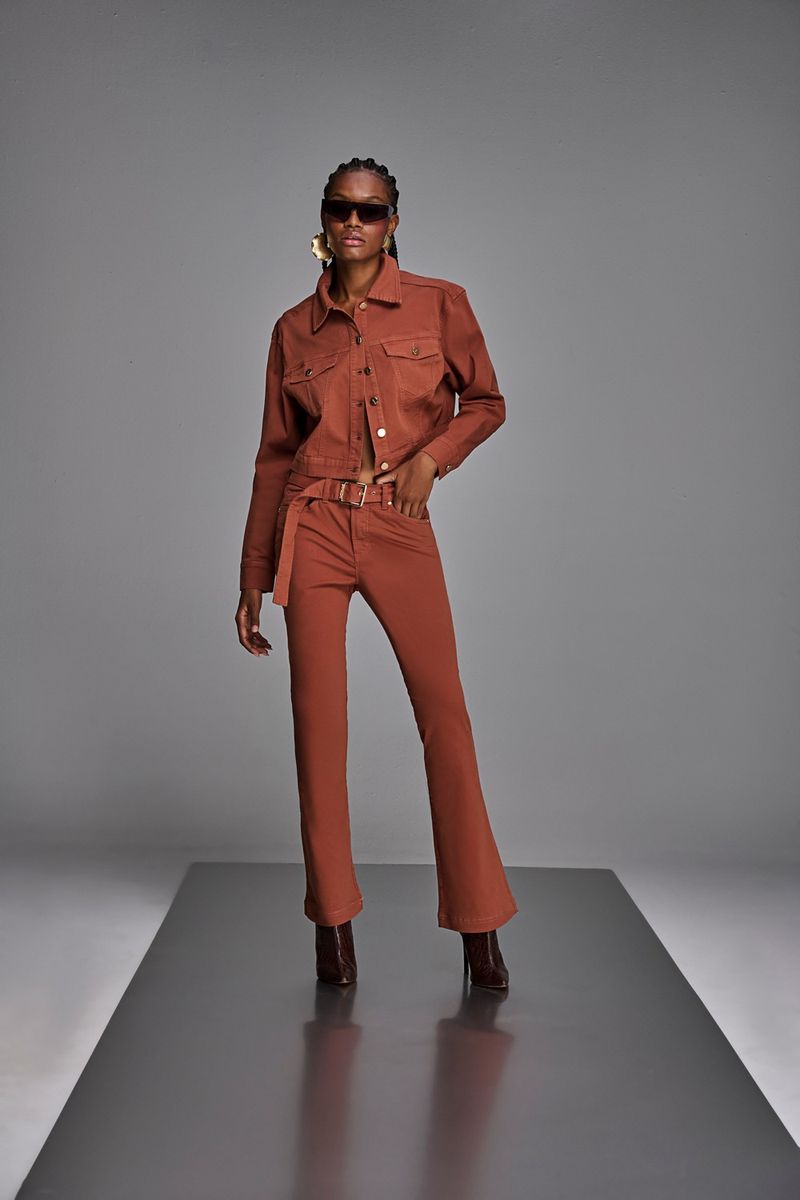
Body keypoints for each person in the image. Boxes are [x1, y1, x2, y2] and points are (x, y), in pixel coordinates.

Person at [235, 156, 518, 988]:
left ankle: (479, 924)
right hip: (313, 526)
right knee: (318, 730)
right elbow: (273, 457)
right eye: (341, 209)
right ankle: (332, 926)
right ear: (323, 223)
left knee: (445, 718)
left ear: (394, 222)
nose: (354, 222)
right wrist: (253, 573)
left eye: (371, 210)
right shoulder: (293, 330)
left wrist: (433, 459)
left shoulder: (441, 302)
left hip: (398, 523)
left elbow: (487, 402)